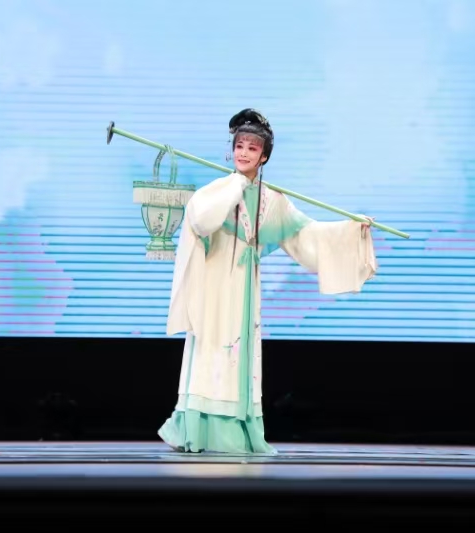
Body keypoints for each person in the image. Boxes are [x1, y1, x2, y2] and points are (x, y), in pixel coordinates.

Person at [158, 109, 377, 454]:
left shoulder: (273, 200)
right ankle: (197, 430)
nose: (244, 153)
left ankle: (236, 432)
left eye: (252, 148)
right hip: (214, 288)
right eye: (239, 146)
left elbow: (307, 234)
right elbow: (201, 220)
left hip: (244, 289)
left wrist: (352, 229)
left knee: (238, 356)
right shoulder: (216, 191)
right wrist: (237, 185)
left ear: (264, 156)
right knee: (211, 351)